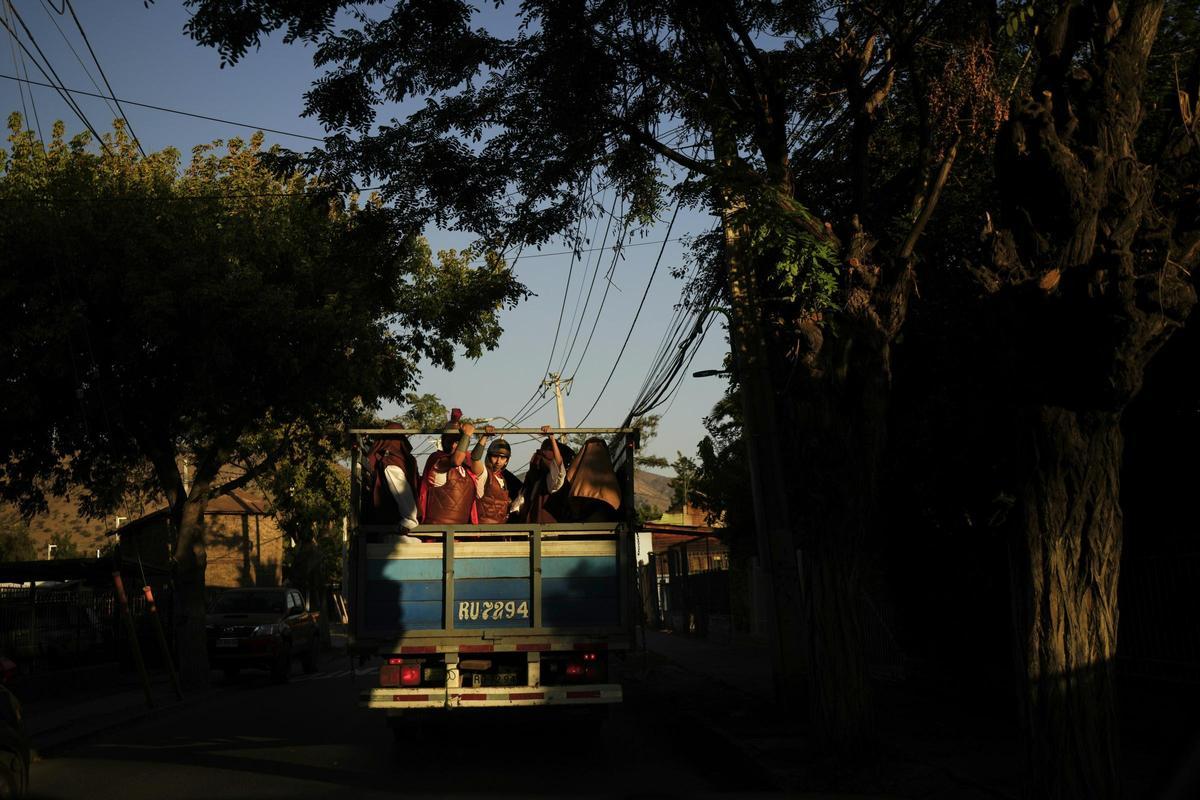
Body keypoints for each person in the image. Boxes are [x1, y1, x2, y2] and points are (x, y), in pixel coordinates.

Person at [417, 408, 487, 525]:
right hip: (438, 533)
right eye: (451, 440)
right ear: (444, 441)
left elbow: (476, 461)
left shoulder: (467, 465)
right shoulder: (438, 460)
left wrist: (484, 437)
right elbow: (456, 460)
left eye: (458, 440)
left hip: (461, 534)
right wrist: (466, 435)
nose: (454, 444)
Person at [513, 425, 574, 523]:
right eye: (539, 454)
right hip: (530, 530)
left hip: (547, 532)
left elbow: (559, 469)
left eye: (543, 456)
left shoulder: (550, 479)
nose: (537, 458)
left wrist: (552, 438)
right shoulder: (531, 481)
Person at [364, 423, 420, 531]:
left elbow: (403, 494)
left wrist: (409, 520)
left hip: (395, 527)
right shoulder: (403, 461)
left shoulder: (391, 464)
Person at [560, 436, 623, 522]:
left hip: (583, 517)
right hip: (607, 517)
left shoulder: (581, 468)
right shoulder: (609, 471)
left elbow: (570, 475)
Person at [470, 426, 524, 524]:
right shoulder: (484, 474)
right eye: (495, 456)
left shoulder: (507, 479)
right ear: (489, 457)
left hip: (501, 529)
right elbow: (475, 458)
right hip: (484, 527)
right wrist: (485, 436)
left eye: (502, 458)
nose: (498, 461)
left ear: (507, 460)